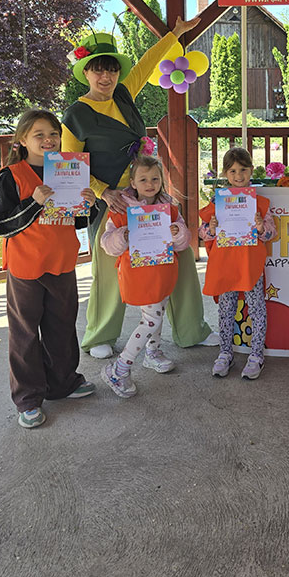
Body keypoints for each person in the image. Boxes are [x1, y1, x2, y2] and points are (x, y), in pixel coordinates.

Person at [61, 17, 215, 359]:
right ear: (86, 72)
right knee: (108, 268)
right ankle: (100, 335)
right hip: (111, 202)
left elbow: (148, 62)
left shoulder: (124, 94)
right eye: (98, 70)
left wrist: (175, 34)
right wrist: (104, 192)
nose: (106, 77)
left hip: (147, 194)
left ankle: (191, 329)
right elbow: (70, 165)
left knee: (179, 253)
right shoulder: (75, 115)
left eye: (111, 69)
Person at [0, 109, 97, 428]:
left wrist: (89, 206)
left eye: (53, 133)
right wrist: (34, 202)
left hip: (62, 262)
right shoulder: (9, 176)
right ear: (22, 140)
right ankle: (28, 398)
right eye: (39, 135)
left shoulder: (70, 170)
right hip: (26, 268)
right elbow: (0, 225)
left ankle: (63, 383)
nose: (48, 140)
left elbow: (78, 222)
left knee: (62, 326)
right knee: (25, 333)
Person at [99, 154, 190, 397]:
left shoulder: (169, 208)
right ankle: (120, 368)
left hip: (164, 271)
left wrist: (177, 232)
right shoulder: (121, 210)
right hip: (139, 274)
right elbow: (107, 243)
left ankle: (152, 352)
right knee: (151, 320)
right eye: (143, 179)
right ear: (133, 182)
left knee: (158, 311)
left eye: (155, 179)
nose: (150, 184)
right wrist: (123, 235)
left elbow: (183, 242)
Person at [199, 148, 275, 380]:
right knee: (226, 309)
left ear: (251, 170)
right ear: (225, 173)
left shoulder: (259, 202)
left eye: (243, 169)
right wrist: (211, 229)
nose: (238, 175)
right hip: (225, 263)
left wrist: (261, 227)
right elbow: (202, 233)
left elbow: (271, 232)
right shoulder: (217, 201)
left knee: (256, 308)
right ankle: (225, 353)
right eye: (232, 171)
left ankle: (256, 355)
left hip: (250, 264)